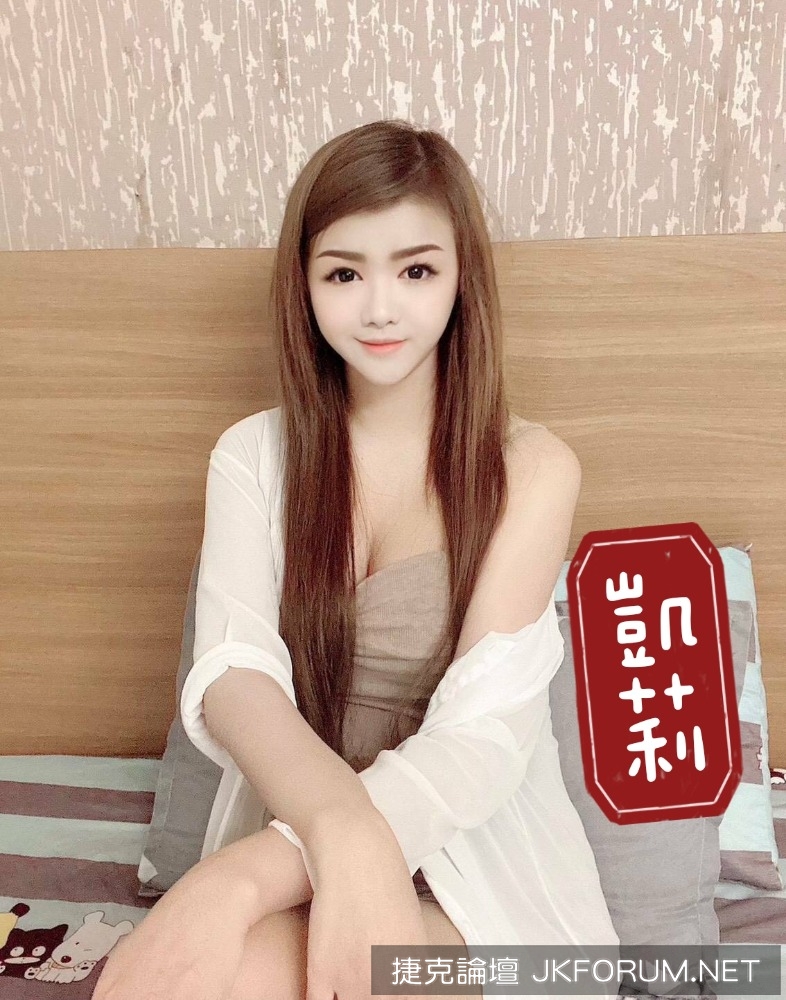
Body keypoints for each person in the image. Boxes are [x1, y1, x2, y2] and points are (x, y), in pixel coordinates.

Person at [91, 119, 619, 1000]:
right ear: (303, 285)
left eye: (416, 271)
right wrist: (335, 831)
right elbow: (234, 675)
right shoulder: (252, 457)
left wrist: (243, 878)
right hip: (305, 834)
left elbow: (484, 736)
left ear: (462, 279)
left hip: (479, 867)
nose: (379, 308)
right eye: (344, 273)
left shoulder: (531, 469)